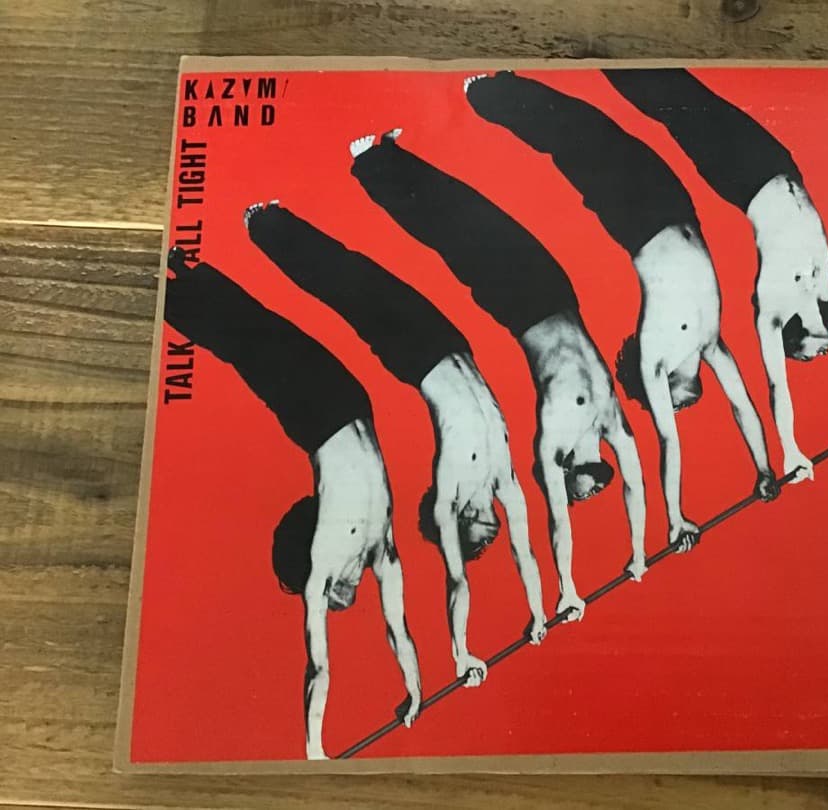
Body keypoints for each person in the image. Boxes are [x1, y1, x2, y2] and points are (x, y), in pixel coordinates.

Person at [465, 71, 779, 554]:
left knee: (585, 136)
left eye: (672, 406)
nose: (679, 409)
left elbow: (670, 443)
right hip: (677, 206)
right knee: (601, 130)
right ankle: (503, 90)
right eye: (678, 407)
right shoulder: (711, 346)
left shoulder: (656, 356)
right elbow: (742, 405)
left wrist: (673, 516)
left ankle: (495, 92)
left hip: (634, 217)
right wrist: (763, 468)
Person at [245, 203, 547, 687]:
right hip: (451, 342)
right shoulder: (504, 482)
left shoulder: (451, 493)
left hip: (414, 355)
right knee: (357, 275)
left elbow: (457, 581)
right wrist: (544, 609)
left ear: (459, 524)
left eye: (477, 542)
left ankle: (266, 227)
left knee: (351, 284)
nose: (490, 539)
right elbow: (524, 552)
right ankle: (272, 227)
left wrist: (460, 652)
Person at [349, 129, 647, 620]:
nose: (590, 496)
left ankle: (369, 167)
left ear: (566, 480)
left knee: (452, 232)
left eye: (580, 497)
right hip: (558, 292)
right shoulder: (612, 424)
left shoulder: (553, 447)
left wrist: (567, 589)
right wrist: (637, 553)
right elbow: (635, 485)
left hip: (518, 304)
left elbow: (557, 525)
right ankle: (390, 155)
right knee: (475, 212)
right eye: (594, 493)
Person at [163, 246, 420, 760]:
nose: (348, 595)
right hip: (350, 400)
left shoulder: (324, 560)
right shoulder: (382, 552)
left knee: (251, 341)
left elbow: (318, 665)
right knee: (263, 330)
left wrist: (313, 748)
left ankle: (169, 288)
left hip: (314, 415)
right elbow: (398, 630)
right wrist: (413, 688)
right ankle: (182, 272)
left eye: (337, 596)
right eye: (349, 596)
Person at [603, 67, 828, 482]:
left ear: (791, 343)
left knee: (677, 106)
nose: (815, 358)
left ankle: (613, 66)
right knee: (688, 96)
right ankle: (625, 66)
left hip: (741, 178)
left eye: (802, 358)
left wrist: (789, 447)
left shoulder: (773, 311)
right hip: (779, 163)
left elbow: (777, 388)